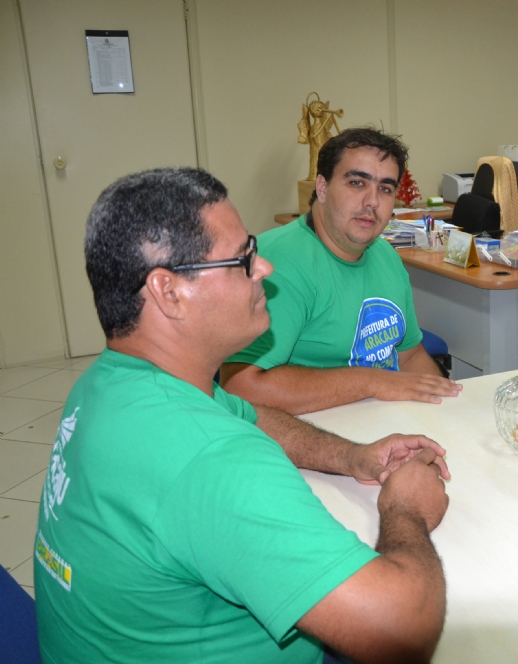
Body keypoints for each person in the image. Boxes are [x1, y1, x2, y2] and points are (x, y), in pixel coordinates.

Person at [34, 168, 450, 663]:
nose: (265, 268)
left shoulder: (112, 381)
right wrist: (406, 510)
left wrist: (352, 457)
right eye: (243, 259)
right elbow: (403, 632)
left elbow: (246, 414)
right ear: (169, 292)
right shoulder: (215, 460)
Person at [221, 126, 462, 414]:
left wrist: (449, 412)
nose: (372, 201)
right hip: (308, 429)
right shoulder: (278, 265)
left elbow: (409, 357)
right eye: (357, 183)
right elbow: (240, 388)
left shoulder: (385, 255)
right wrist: (372, 382)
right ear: (322, 188)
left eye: (385, 188)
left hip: (383, 420)